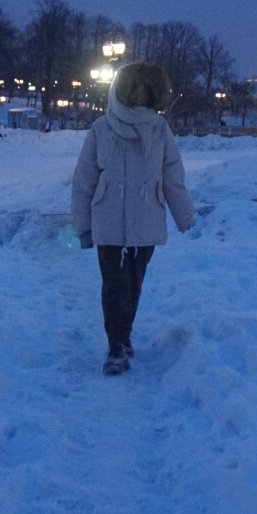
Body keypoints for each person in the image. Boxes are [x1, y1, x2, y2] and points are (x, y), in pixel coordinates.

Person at [70, 62, 196, 376]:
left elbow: (172, 176)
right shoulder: (102, 128)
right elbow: (84, 179)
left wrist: (185, 217)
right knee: (114, 284)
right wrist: (83, 227)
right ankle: (116, 346)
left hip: (146, 219)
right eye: (135, 90)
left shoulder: (159, 129)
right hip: (108, 220)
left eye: (147, 91)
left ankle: (123, 337)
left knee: (132, 284)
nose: (140, 96)